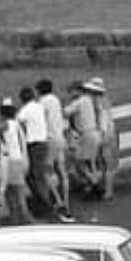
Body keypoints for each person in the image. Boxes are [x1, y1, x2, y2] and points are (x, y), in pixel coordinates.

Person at [17, 86, 70, 220]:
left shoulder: (25, 110)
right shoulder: (39, 107)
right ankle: (49, 203)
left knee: (36, 176)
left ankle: (47, 207)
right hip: (44, 142)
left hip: (34, 145)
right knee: (41, 175)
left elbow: (18, 122)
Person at [0, 98, 34, 223]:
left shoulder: (6, 124)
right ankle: (16, 220)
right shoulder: (17, 124)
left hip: (12, 162)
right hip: (21, 160)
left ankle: (26, 220)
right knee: (12, 193)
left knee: (16, 194)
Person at [34, 79, 72, 213]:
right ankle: (67, 201)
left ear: (39, 90)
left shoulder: (42, 102)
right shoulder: (56, 99)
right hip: (60, 137)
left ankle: (58, 200)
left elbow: (39, 119)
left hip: (50, 140)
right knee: (62, 171)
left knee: (47, 171)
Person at [63, 82, 102, 196]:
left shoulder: (79, 102)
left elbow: (65, 113)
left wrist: (65, 105)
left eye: (71, 91)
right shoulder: (88, 100)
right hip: (93, 132)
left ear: (78, 90)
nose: (70, 94)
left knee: (79, 161)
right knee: (89, 161)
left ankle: (94, 183)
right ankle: (93, 184)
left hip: (86, 134)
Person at [91, 79, 118, 200]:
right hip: (109, 132)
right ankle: (106, 190)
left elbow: (103, 120)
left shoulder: (98, 103)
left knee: (105, 164)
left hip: (105, 134)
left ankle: (107, 191)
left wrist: (103, 134)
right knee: (106, 164)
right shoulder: (105, 100)